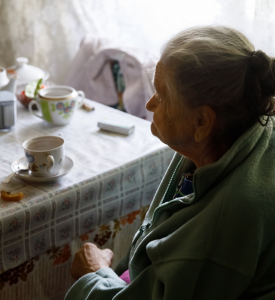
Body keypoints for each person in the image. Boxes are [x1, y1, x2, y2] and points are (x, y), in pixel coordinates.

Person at [65, 25, 275, 299]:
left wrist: (94, 273)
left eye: (162, 95)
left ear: (201, 121)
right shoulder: (242, 131)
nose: (150, 104)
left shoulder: (222, 225)